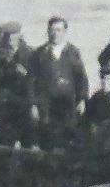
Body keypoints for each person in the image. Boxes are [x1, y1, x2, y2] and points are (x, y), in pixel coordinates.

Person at [28, 16, 89, 149]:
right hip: (46, 106)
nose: (56, 34)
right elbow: (31, 81)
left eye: (59, 30)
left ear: (65, 32)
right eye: (52, 30)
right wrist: (33, 104)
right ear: (48, 32)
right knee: (47, 140)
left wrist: (82, 99)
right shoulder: (39, 54)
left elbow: (82, 78)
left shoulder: (73, 52)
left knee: (68, 139)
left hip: (67, 105)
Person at [0, 22, 34, 148]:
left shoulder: (31, 54)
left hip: (23, 106)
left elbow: (37, 80)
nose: (10, 39)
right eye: (8, 35)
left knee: (27, 146)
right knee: (4, 145)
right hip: (5, 108)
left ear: (20, 35)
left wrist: (26, 74)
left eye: (14, 35)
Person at [84, 67, 110, 150]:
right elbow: (88, 117)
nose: (105, 81)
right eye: (103, 78)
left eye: (108, 79)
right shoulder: (95, 97)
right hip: (99, 130)